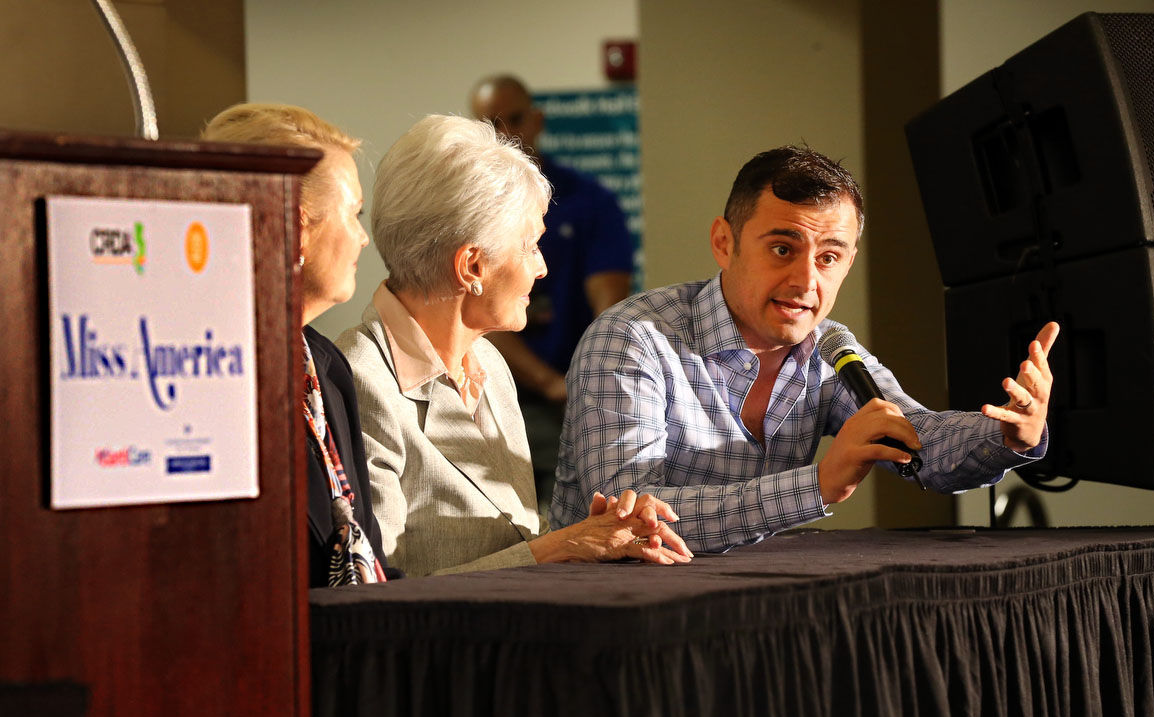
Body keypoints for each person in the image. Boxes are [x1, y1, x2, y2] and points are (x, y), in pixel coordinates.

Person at [550, 144, 1058, 553]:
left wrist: (1008, 433)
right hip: (611, 613)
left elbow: (917, 439)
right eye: (782, 249)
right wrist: (816, 486)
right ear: (724, 243)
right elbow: (629, 518)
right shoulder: (629, 338)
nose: (806, 281)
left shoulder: (831, 350)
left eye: (830, 257)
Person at [335, 115, 692, 577]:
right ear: (472, 266)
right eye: (529, 247)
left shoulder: (488, 363)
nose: (541, 269)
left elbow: (510, 538)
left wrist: (598, 533)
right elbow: (374, 590)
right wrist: (559, 547)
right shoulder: (358, 380)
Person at [201, 103, 393, 587]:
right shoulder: (209, 370)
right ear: (294, 225)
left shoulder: (326, 366)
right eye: (353, 215)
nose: (363, 238)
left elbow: (367, 551)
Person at [470, 74, 635, 509]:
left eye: (515, 119)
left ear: (538, 120)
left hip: (579, 388)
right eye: (491, 125)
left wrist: (589, 375)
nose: (506, 135)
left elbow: (610, 302)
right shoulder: (469, 211)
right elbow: (475, 309)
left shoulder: (589, 200)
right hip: (497, 384)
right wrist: (546, 383)